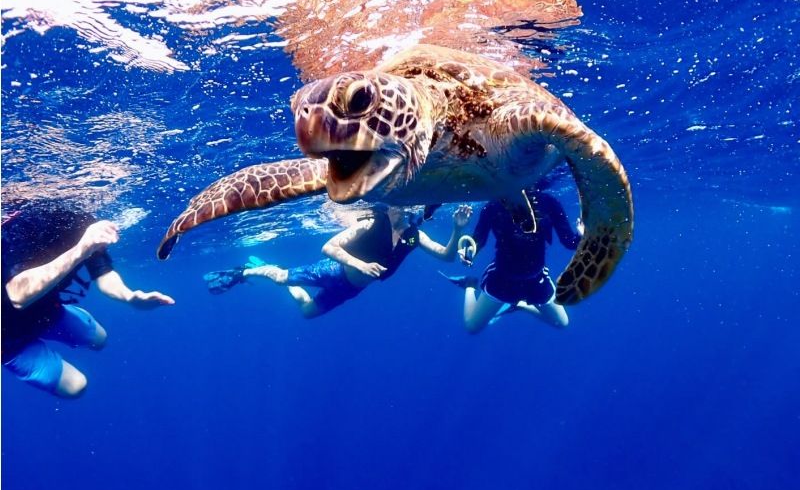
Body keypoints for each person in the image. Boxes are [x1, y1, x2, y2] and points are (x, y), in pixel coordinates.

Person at [1, 201, 175, 398]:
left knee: (99, 340)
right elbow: (17, 295)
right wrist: (82, 249)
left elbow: (104, 274)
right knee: (76, 387)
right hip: (8, 336)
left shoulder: (80, 219)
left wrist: (130, 297)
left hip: (46, 311)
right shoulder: (16, 224)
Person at [204, 204, 472, 318]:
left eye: (411, 206)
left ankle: (278, 278)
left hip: (351, 290)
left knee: (307, 312)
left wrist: (458, 229)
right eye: (401, 204)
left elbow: (446, 256)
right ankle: (245, 273)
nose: (408, 209)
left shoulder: (413, 237)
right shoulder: (369, 223)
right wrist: (360, 265)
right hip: (331, 272)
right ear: (390, 205)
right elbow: (328, 247)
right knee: (281, 277)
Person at [442, 187, 583, 334]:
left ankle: (519, 305)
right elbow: (479, 240)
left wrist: (581, 235)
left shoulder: (549, 203)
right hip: (502, 280)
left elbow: (569, 242)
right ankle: (470, 285)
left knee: (562, 323)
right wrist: (469, 253)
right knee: (472, 327)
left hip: (536, 279)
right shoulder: (494, 206)